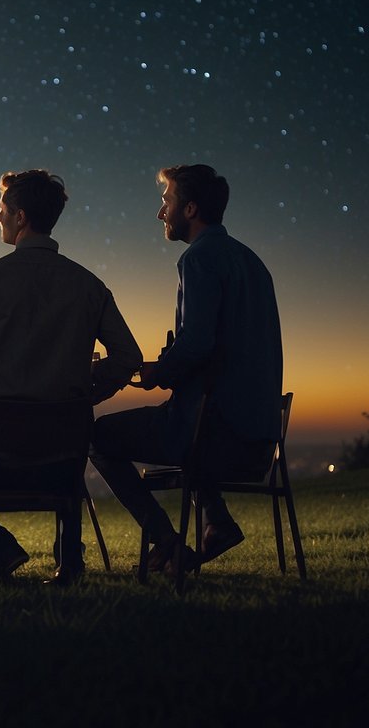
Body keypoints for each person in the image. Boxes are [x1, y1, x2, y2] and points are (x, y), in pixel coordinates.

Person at [0, 169, 142, 586]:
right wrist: (87, 396)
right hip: (60, 461)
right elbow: (128, 357)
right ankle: (70, 561)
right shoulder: (89, 285)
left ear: (20, 216)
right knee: (64, 436)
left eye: (1, 209)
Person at [90, 164, 283, 572]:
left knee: (100, 437)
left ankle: (167, 542)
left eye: (167, 201)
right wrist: (171, 368)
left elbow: (196, 343)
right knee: (182, 414)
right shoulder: (251, 262)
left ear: (190, 209)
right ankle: (217, 520)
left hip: (216, 433)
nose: (161, 213)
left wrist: (159, 373)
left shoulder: (197, 258)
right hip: (260, 433)